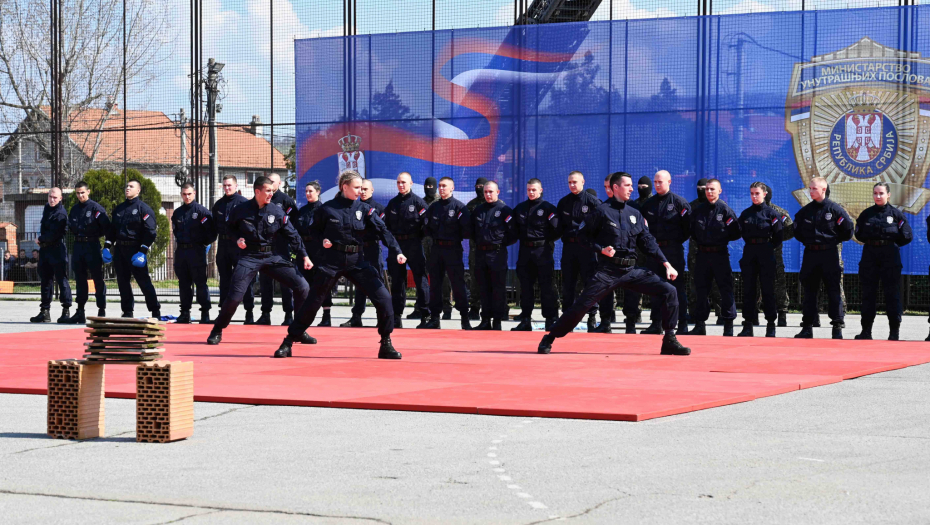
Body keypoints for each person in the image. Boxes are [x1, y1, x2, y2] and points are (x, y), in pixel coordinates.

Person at [538, 172, 690, 356]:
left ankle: (669, 340)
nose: (632, 189)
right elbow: (582, 236)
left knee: (669, 291)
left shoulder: (634, 213)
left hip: (630, 270)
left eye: (632, 185)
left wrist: (666, 264)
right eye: (627, 185)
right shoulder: (601, 211)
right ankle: (551, 337)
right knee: (580, 307)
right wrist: (600, 249)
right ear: (615, 188)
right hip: (607, 272)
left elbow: (648, 241)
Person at [274, 170, 407, 359]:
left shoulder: (365, 209)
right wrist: (322, 242)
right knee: (312, 303)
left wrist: (398, 251)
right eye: (356, 187)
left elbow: (383, 231)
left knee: (384, 298)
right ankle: (288, 341)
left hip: (357, 261)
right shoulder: (327, 209)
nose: (360, 191)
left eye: (362, 187)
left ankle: (386, 343)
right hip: (331, 262)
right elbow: (313, 232)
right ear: (344, 187)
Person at [207, 177, 312, 345]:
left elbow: (293, 235)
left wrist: (304, 256)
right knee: (234, 297)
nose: (271, 194)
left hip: (272, 256)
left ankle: (298, 331)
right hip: (249, 257)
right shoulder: (241, 210)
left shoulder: (277, 212)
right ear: (257, 192)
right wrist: (237, 239)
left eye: (272, 191)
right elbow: (230, 228)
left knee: (303, 286)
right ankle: (217, 329)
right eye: (268, 191)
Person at [793, 177, 853, 340]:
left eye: (814, 189)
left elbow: (848, 230)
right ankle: (807, 327)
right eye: (810, 188)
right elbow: (797, 230)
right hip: (811, 254)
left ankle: (837, 326)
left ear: (823, 190)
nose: (810, 191)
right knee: (809, 291)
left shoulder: (835, 209)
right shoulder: (805, 211)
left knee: (833, 290)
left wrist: (832, 240)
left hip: (829, 254)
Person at [854, 182, 912, 341]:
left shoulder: (896, 214)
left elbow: (907, 235)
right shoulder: (866, 214)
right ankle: (866, 331)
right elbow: (858, 233)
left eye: (881, 193)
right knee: (868, 294)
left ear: (888, 195)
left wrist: (890, 245)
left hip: (890, 256)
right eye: (875, 193)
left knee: (892, 294)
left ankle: (894, 332)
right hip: (870, 255)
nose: (878, 196)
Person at [640, 170, 691, 335]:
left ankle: (682, 323)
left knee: (676, 286)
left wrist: (674, 242)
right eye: (655, 182)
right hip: (654, 251)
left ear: (669, 182)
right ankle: (656, 323)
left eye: (660, 182)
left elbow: (687, 228)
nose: (656, 185)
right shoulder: (648, 204)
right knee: (655, 286)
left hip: (672, 250)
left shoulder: (679, 203)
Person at [689, 179, 741, 336]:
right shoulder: (698, 210)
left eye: (712, 189)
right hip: (702, 254)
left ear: (720, 191)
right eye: (707, 189)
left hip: (719, 254)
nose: (709, 192)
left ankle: (728, 325)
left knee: (725, 289)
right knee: (700, 290)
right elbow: (692, 231)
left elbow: (736, 232)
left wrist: (720, 239)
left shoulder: (725, 210)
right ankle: (699, 325)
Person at [419, 176, 472, 330]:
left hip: (453, 250)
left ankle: (464, 318)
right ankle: (435, 318)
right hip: (436, 249)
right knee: (435, 284)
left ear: (452, 188)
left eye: (444, 186)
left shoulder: (459, 208)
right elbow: (427, 228)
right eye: (440, 186)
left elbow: (466, 231)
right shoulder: (434, 207)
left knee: (457, 284)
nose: (441, 188)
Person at [104, 179, 161, 319]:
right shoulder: (119, 209)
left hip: (136, 250)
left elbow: (151, 232)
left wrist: (143, 251)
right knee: (122, 282)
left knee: (143, 281)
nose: (127, 188)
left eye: (131, 186)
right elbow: (112, 230)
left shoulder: (144, 209)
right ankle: (127, 311)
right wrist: (106, 247)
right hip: (120, 250)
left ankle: (155, 311)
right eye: (127, 186)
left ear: (138, 190)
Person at [511, 178, 560, 331]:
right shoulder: (520, 208)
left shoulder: (548, 208)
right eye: (529, 190)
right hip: (525, 252)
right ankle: (525, 319)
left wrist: (545, 242)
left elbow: (557, 230)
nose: (531, 192)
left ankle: (550, 319)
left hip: (542, 251)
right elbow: (513, 230)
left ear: (540, 190)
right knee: (525, 287)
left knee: (546, 287)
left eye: (534, 190)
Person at [736, 182, 783, 338]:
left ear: (764, 194)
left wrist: (767, 246)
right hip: (750, 251)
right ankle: (748, 324)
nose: (754, 196)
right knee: (749, 290)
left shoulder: (772, 214)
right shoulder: (745, 214)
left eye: (757, 193)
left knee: (768, 289)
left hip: (766, 252)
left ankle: (770, 325)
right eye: (752, 193)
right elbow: (740, 231)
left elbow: (778, 236)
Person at [469, 181, 518, 330]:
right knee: (483, 287)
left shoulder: (505, 211)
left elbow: (513, 234)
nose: (488, 195)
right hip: (481, 253)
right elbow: (472, 232)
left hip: (497, 253)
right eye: (486, 192)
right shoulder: (478, 210)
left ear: (498, 192)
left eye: (491, 192)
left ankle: (497, 320)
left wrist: (499, 244)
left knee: (498, 287)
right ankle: (485, 321)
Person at [383, 172, 430, 328]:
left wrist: (417, 238)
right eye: (398, 182)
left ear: (411, 183)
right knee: (397, 281)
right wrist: (393, 246)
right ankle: (397, 316)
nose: (401, 185)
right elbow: (386, 227)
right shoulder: (392, 203)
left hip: (414, 244)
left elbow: (427, 224)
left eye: (404, 182)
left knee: (420, 279)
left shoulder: (418, 202)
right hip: (397, 246)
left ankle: (425, 315)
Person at [557, 171, 601, 332]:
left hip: (587, 249)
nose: (572, 185)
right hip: (569, 248)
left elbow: (600, 225)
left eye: (575, 182)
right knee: (568, 283)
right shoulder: (563, 202)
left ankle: (592, 316)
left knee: (590, 282)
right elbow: (559, 226)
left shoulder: (592, 202)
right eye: (569, 182)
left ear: (583, 181)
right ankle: (567, 318)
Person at [256, 173, 300, 326]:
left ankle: (288, 314)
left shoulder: (286, 201)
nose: (270, 184)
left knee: (286, 281)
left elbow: (293, 223)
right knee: (265, 281)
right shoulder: (261, 200)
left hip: (281, 247)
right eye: (268, 182)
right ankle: (265, 314)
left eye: (273, 182)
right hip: (265, 248)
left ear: (279, 183)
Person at [212, 175, 255, 324]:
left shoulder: (244, 203)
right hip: (223, 246)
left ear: (236, 186)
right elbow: (213, 227)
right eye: (224, 185)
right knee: (224, 280)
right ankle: (223, 313)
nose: (227, 188)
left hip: (240, 246)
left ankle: (249, 313)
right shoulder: (218, 205)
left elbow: (250, 226)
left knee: (244, 279)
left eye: (229, 185)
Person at [342, 179, 385, 327]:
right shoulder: (354, 207)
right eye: (361, 189)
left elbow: (381, 230)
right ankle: (356, 316)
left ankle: (382, 317)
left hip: (372, 248)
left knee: (377, 283)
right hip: (358, 249)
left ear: (372, 190)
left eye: (366, 189)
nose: (363, 191)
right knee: (359, 283)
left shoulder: (378, 209)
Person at [171, 183, 217, 324]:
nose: (187, 196)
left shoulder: (202, 212)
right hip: (181, 251)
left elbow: (212, 233)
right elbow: (176, 231)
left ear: (194, 193)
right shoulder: (177, 212)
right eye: (184, 194)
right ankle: (185, 312)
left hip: (196, 251)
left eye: (189, 194)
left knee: (200, 283)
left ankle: (205, 313)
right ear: (181, 194)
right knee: (184, 283)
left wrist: (203, 244)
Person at [67, 180, 110, 323]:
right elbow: (71, 228)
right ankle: (80, 311)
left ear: (88, 192)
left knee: (97, 278)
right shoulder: (74, 209)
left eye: (82, 193)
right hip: (79, 246)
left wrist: (106, 246)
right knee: (80, 279)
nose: (80, 196)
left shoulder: (96, 209)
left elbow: (106, 228)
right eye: (78, 193)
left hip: (92, 245)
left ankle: (101, 309)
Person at [30, 187, 73, 323]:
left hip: (57, 250)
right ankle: (44, 312)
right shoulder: (47, 208)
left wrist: (40, 239)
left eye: (55, 197)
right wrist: (41, 239)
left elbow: (55, 234)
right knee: (45, 281)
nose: (52, 199)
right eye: (50, 196)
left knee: (62, 280)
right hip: (45, 251)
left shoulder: (61, 213)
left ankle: (66, 311)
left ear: (60, 198)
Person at [296, 181, 335, 323]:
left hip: (320, 250)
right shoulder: (302, 211)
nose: (307, 194)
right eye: (306, 191)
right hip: (305, 250)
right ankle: (303, 315)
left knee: (323, 283)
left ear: (318, 192)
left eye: (310, 191)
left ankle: (326, 316)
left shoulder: (325, 210)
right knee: (304, 282)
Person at [420, 176, 453, 319]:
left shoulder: (441, 202)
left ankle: (447, 307)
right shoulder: (420, 202)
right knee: (424, 276)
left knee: (444, 277)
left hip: (440, 245)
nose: (429, 189)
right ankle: (424, 307)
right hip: (424, 245)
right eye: (426, 186)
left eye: (431, 186)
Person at [763, 184, 793, 327]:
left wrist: (775, 238)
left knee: (779, 283)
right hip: (756, 252)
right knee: (756, 284)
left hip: (775, 253)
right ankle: (753, 315)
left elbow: (789, 230)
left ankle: (782, 313)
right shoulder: (752, 211)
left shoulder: (780, 212)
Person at [465, 177, 488, 320]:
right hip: (475, 249)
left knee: (494, 280)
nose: (479, 188)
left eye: (482, 186)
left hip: (493, 250)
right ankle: (474, 308)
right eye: (477, 185)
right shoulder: (471, 206)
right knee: (475, 279)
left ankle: (497, 308)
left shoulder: (498, 205)